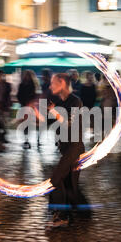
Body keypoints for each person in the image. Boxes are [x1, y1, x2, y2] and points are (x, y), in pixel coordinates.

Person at [47, 73, 87, 228]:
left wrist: (54, 112)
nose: (50, 86)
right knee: (70, 187)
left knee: (56, 179)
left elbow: (69, 122)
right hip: (65, 149)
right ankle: (80, 214)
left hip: (74, 148)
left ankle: (62, 216)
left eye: (53, 83)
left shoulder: (75, 101)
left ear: (62, 82)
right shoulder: (59, 102)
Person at [17, 70, 38, 149]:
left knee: (28, 123)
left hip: (29, 106)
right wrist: (23, 102)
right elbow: (19, 95)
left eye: (28, 75)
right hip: (23, 105)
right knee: (24, 123)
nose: (27, 77)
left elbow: (33, 95)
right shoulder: (22, 85)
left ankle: (27, 139)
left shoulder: (32, 85)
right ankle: (25, 139)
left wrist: (29, 102)